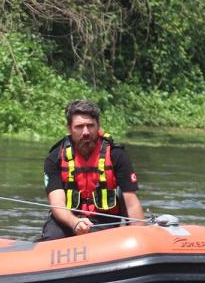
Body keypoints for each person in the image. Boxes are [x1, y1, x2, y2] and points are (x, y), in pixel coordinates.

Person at [41, 99, 143, 240]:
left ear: (98, 126)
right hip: (67, 220)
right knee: (52, 237)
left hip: (104, 222)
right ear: (69, 128)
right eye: (79, 127)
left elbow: (131, 203)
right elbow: (57, 204)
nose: (86, 132)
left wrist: (140, 237)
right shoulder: (55, 158)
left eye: (90, 126)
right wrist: (75, 222)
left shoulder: (116, 155)